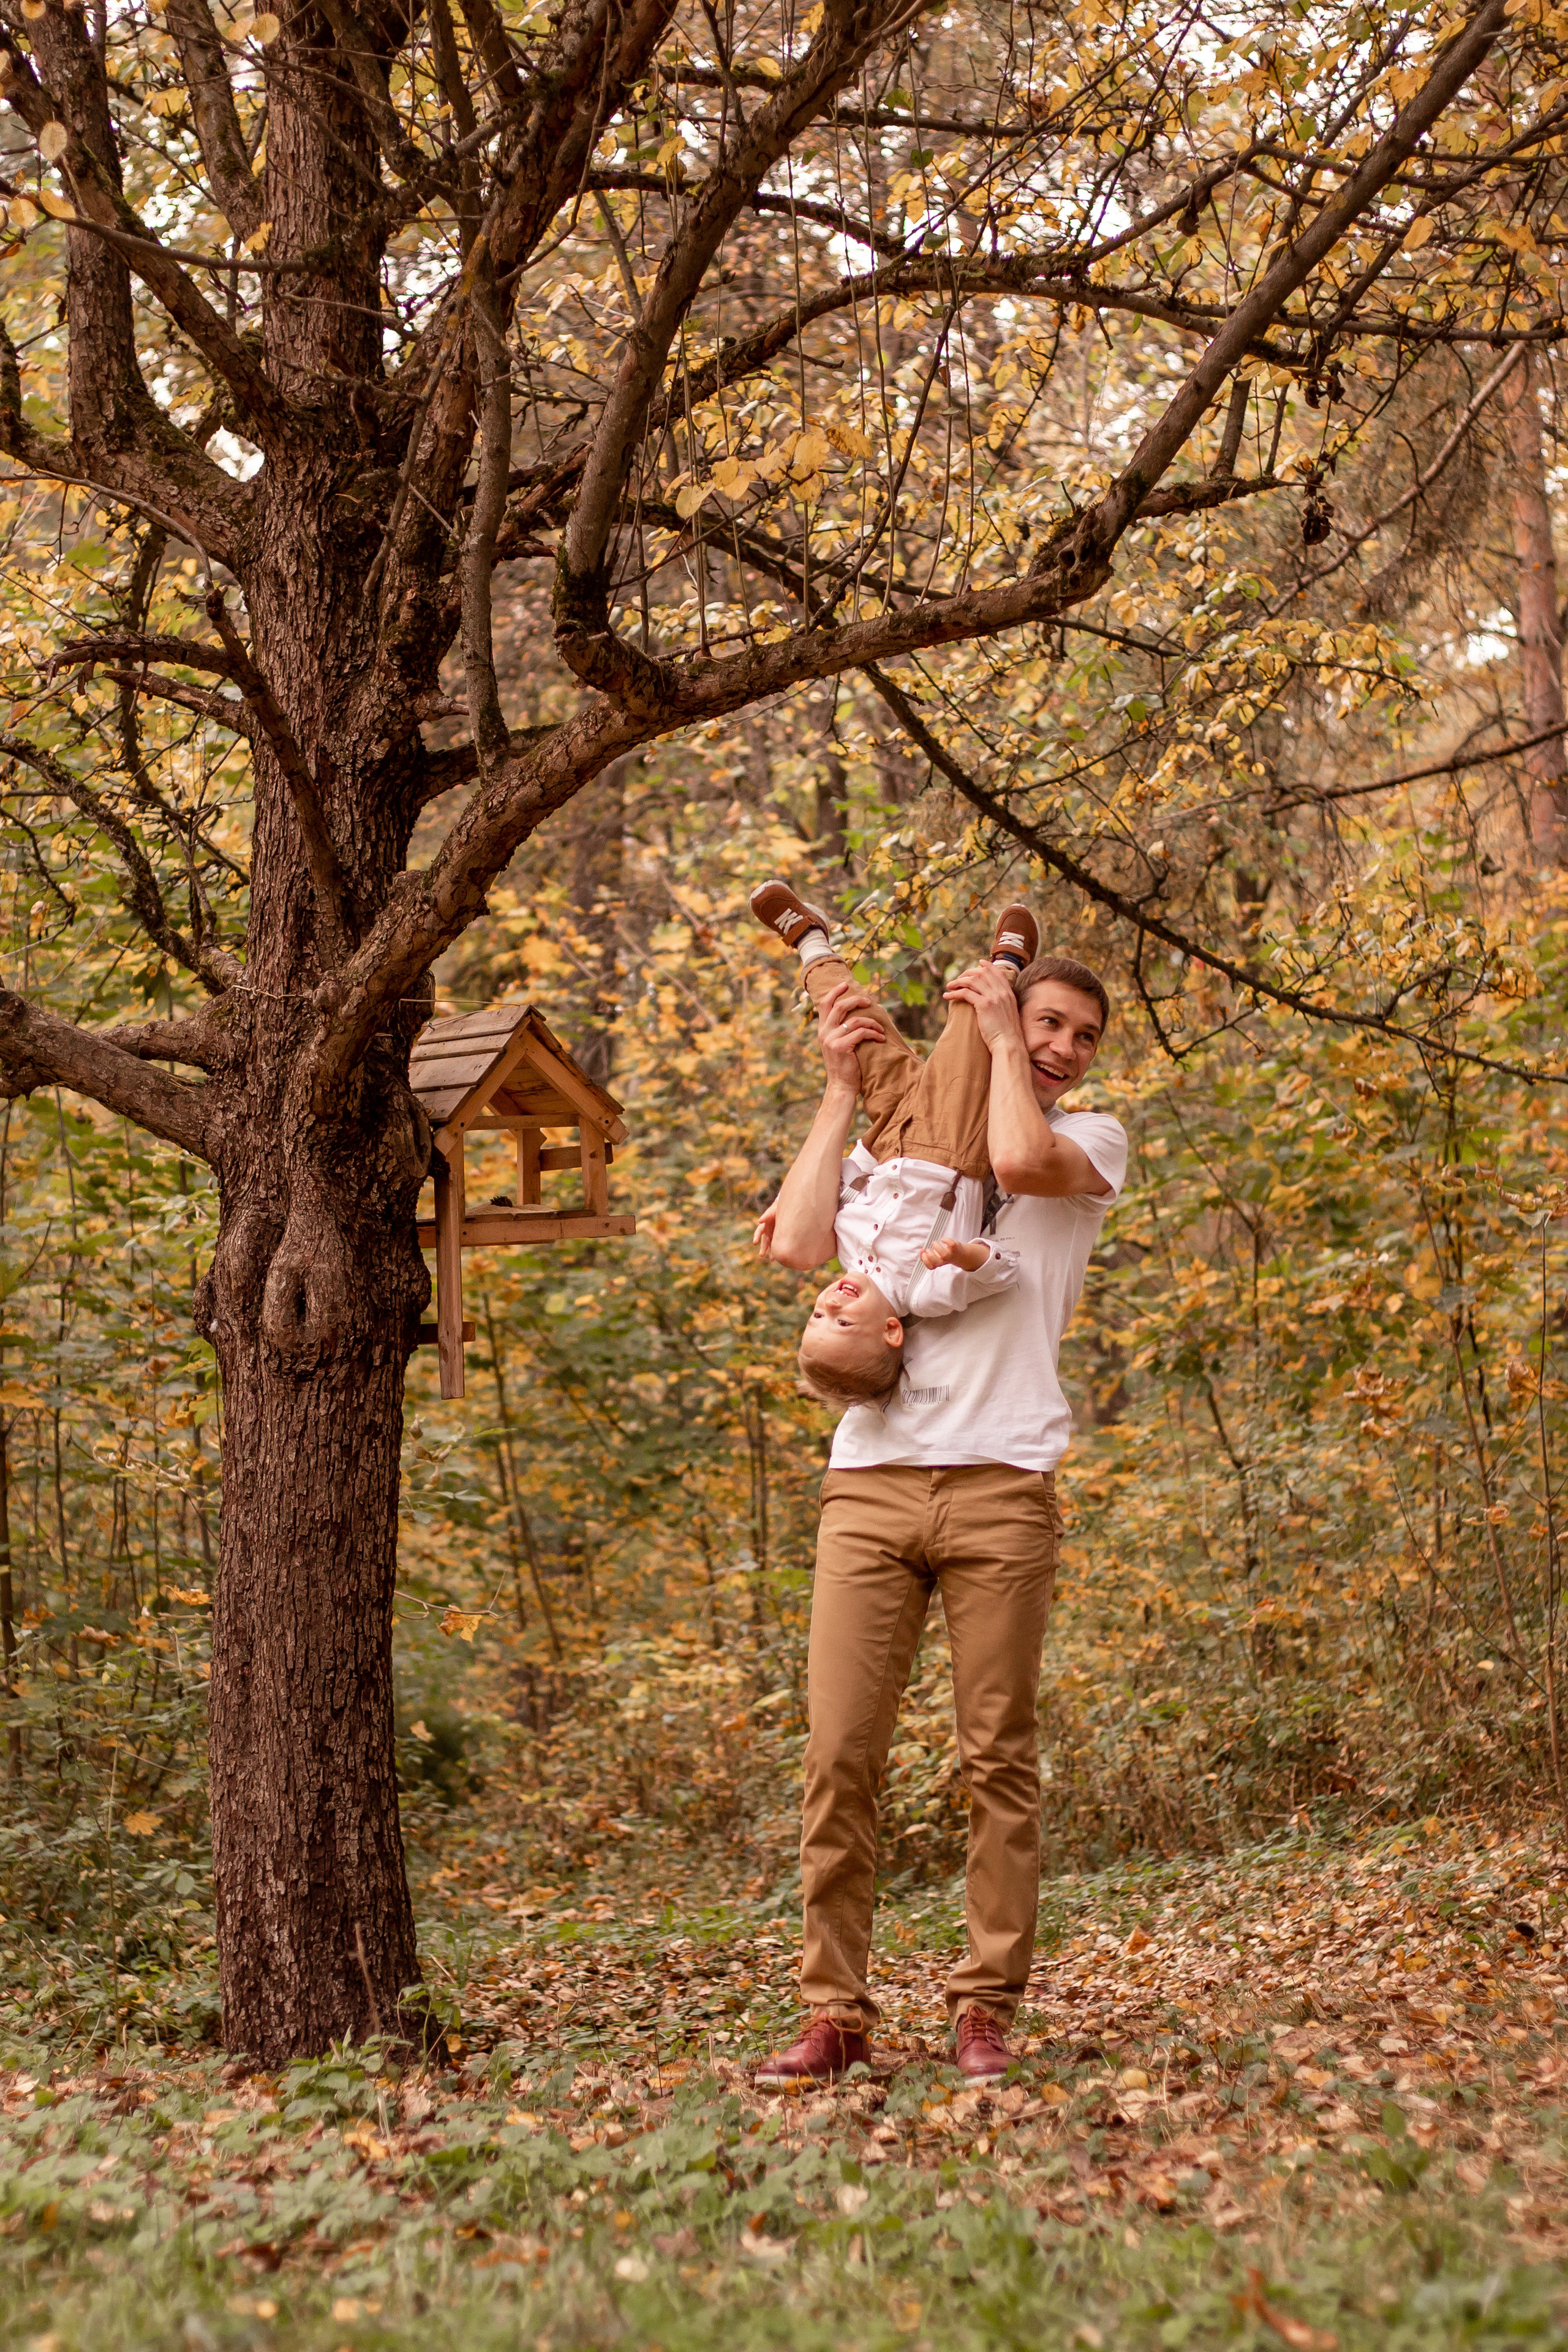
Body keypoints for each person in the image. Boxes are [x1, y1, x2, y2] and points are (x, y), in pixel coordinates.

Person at [749, 889, 1126, 2084]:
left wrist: (1004, 1032)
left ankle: (981, 2008)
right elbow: (802, 1246)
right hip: (869, 1486)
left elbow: (1013, 1152)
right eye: (1045, 1022)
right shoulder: (896, 1141)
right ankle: (833, 2014)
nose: (1059, 1044)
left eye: (1077, 1032)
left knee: (993, 1758)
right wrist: (837, 1087)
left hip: (1002, 1487)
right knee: (837, 1756)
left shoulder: (1092, 1144)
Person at [750, 881, 1040, 1413]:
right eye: (841, 1324)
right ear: (890, 1332)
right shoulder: (924, 1293)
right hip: (953, 1146)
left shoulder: (846, 1251)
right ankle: (1006, 964)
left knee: (855, 1031)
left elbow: (850, 1180)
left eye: (816, 1317)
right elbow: (1004, 1270)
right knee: (965, 1023)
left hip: (886, 1139)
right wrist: (966, 1255)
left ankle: (811, 942)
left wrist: (786, 1201)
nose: (829, 1306)